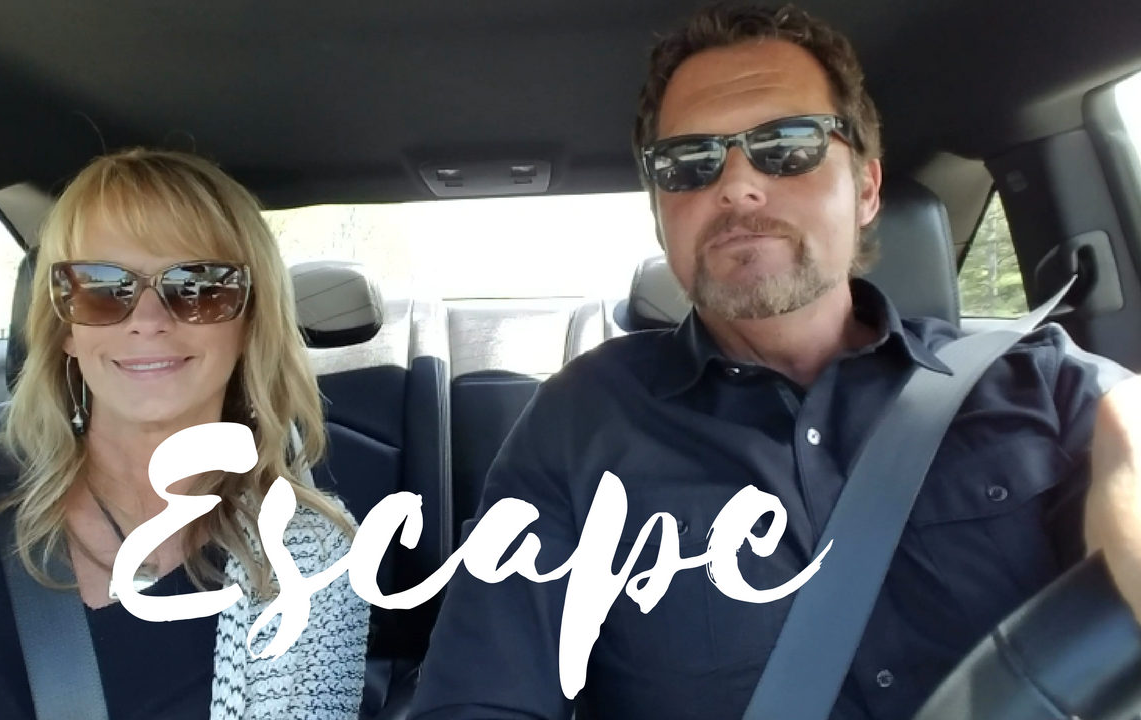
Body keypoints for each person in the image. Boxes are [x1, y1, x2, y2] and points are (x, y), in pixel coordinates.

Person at [408, 4, 1141, 719]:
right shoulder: (579, 426)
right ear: (661, 214)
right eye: (688, 162)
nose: (735, 185)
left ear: (866, 189)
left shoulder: (1037, 383)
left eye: (787, 145)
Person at [0, 149, 368, 719]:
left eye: (198, 285)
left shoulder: (311, 557)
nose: (147, 320)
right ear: (65, 328)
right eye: (101, 286)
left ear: (251, 321)